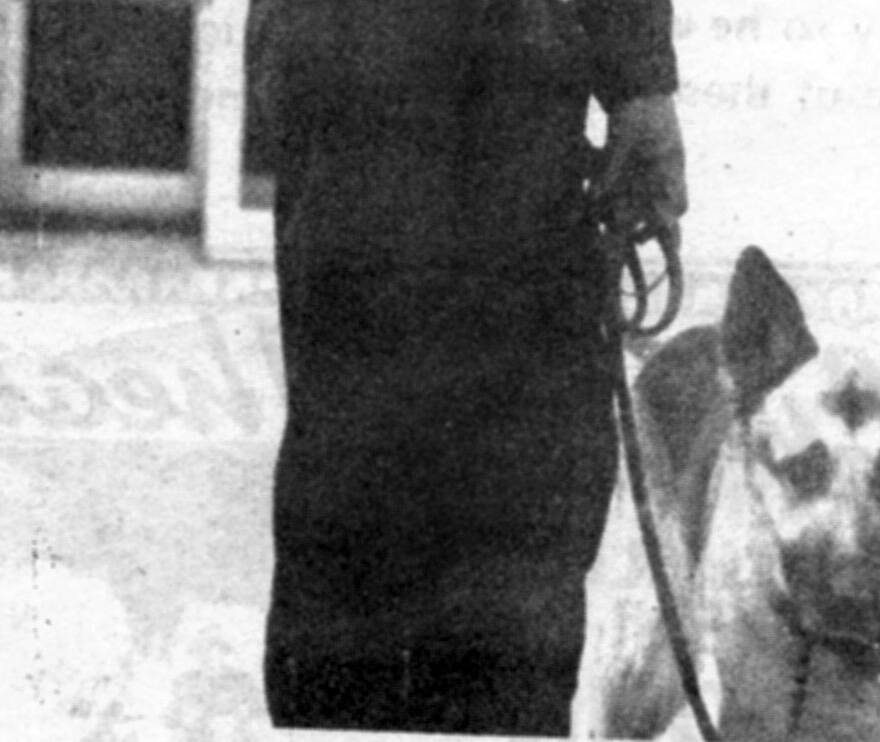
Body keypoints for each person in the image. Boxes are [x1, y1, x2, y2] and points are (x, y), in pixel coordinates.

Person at [246, 0, 686, 734]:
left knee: (517, 499)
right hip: (366, 79)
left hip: (513, 81)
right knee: (364, 482)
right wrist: (640, 81)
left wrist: (641, 80)